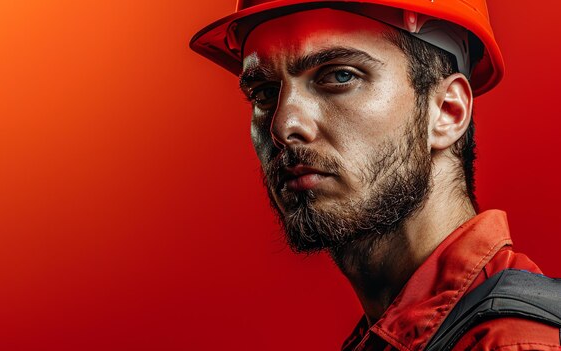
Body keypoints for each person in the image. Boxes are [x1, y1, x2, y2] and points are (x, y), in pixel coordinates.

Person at [190, 1, 561, 350]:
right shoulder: (393, 334)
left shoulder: (514, 341)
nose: (285, 125)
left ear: (447, 112)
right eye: (264, 92)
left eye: (339, 75)